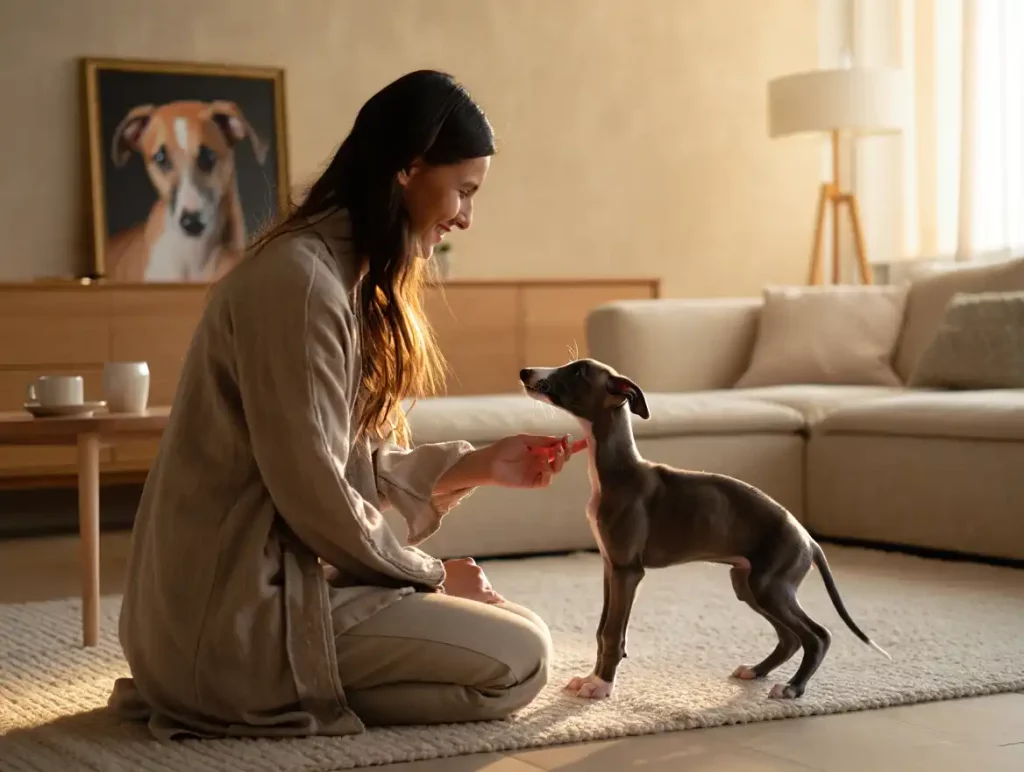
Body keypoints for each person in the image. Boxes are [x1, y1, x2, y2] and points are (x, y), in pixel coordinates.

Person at [108, 70, 584, 739]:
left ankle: (262, 689)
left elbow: (338, 461)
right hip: (234, 616)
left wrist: (481, 464)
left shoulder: (332, 273)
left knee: (517, 630)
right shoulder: (301, 283)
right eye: (464, 191)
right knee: (521, 659)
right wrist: (429, 577)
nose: (465, 217)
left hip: (248, 597)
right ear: (408, 169)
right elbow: (319, 495)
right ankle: (242, 699)